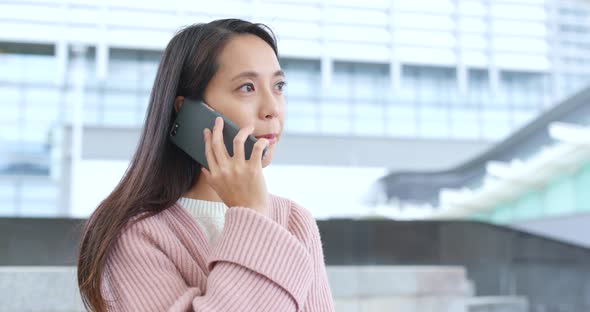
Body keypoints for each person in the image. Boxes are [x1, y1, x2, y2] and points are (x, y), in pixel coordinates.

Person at [77, 19, 335, 311]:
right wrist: (251, 214)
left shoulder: (296, 222)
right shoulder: (136, 235)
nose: (272, 109)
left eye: (278, 86)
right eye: (247, 87)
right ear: (187, 111)